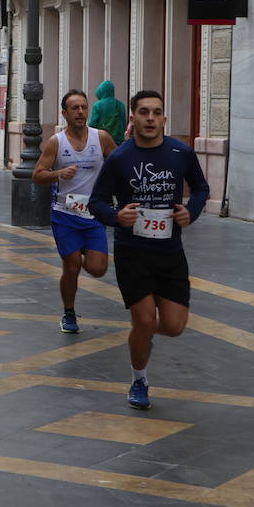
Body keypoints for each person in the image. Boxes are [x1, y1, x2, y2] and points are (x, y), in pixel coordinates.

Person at [88, 90, 209, 410]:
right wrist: (116, 217)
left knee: (173, 326)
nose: (151, 118)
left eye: (157, 112)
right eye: (144, 112)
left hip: (170, 252)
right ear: (133, 118)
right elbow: (96, 201)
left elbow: (201, 189)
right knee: (143, 319)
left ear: (165, 118)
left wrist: (190, 212)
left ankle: (140, 335)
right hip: (132, 251)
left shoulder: (180, 153)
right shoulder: (119, 158)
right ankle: (139, 378)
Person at [33, 89, 117, 332]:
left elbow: (121, 161)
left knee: (98, 268)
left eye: (83, 107)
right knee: (71, 267)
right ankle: (69, 313)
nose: (80, 112)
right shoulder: (56, 142)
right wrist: (58, 173)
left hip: (93, 213)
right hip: (65, 213)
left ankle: (80, 248)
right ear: (64, 113)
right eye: (75, 108)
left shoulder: (100, 138)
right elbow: (37, 175)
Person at [88, 80, 127, 145]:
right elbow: (123, 123)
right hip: (117, 142)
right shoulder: (121, 105)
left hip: (101, 141)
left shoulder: (97, 105)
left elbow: (92, 124)